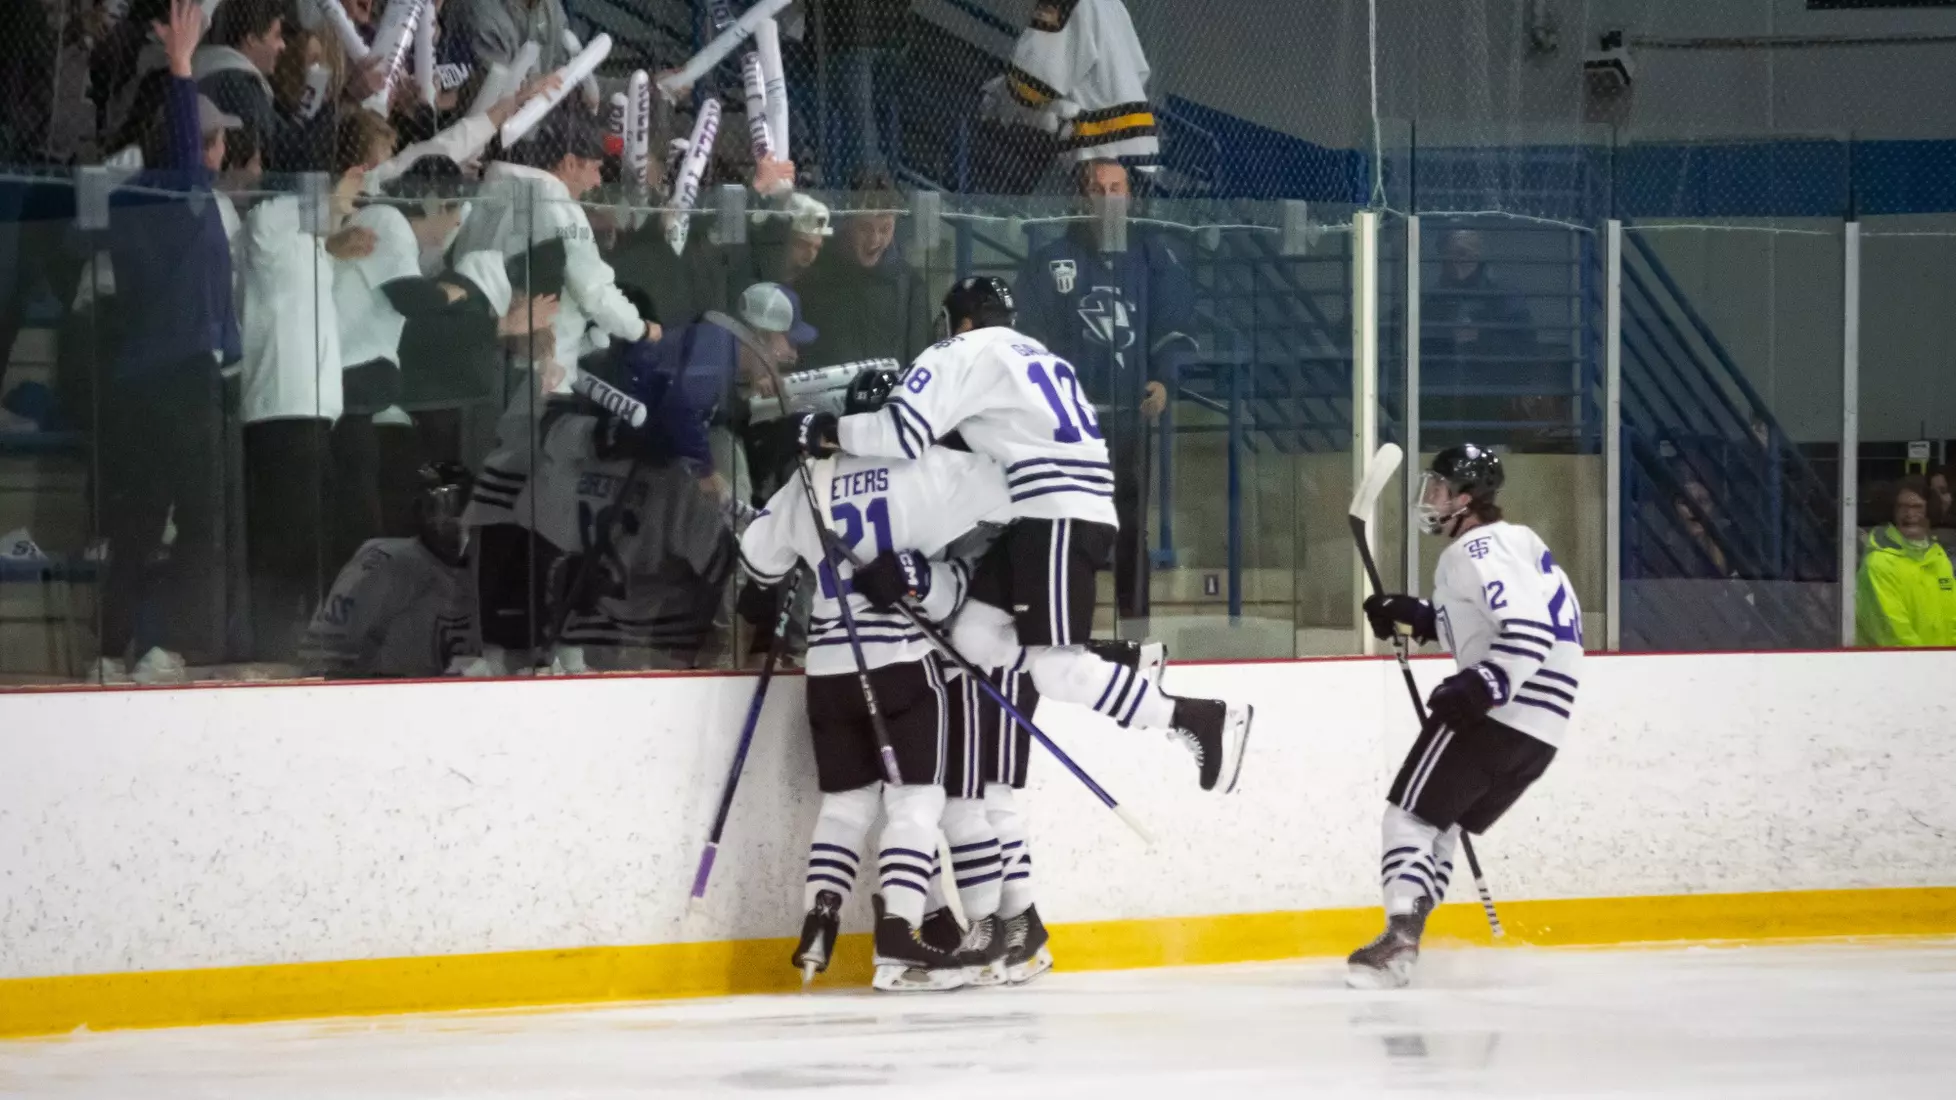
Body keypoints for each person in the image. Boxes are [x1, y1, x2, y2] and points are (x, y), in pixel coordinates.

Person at [793, 276, 1251, 792]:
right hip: (1052, 510)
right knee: (973, 635)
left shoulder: (959, 350)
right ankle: (1117, 660)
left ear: (959, 321)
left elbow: (901, 434)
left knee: (1056, 670)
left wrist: (828, 432)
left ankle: (1195, 717)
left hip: (1054, 512)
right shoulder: (1040, 355)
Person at [741, 367, 1012, 992]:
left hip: (829, 669)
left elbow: (757, 560)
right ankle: (898, 937)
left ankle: (819, 920)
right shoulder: (930, 469)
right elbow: (1017, 491)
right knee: (916, 804)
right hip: (899, 665)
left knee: (844, 807)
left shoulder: (808, 480)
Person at [1353, 444, 1584, 989]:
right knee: (1441, 824)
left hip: (1501, 712)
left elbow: (1527, 630)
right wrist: (1418, 618)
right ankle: (1407, 934)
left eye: (1437, 488)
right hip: (1540, 732)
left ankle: (1399, 939)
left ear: (1466, 499)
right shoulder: (1517, 544)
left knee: (1407, 817)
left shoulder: (1476, 548)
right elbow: (1488, 620)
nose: (1428, 499)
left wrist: (1486, 683)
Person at [98, 0, 245, 682]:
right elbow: (186, 152)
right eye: (215, 142)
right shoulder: (177, 194)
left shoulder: (134, 198)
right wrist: (183, 66)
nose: (220, 153)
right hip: (180, 376)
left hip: (151, 375)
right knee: (195, 520)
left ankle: (111, 650)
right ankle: (161, 646)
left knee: (140, 519)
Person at [1015, 159, 1192, 629]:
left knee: (1131, 529)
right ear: (1080, 197)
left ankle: (1136, 631)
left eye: (1116, 188)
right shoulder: (1050, 261)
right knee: (1073, 529)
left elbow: (1171, 322)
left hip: (1130, 422)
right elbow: (1029, 341)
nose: (1108, 197)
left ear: (1129, 195)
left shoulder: (1153, 256)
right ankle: (1072, 629)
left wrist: (1163, 378)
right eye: (1097, 188)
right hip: (1069, 428)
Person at [452, 108, 658, 396]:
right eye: (595, 168)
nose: (598, 181)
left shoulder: (492, 191)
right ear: (570, 163)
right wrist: (640, 329)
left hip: (484, 352)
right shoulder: (560, 210)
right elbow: (593, 291)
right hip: (542, 367)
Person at [301, 461, 481, 677]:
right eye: (439, 505)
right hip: (389, 702)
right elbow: (324, 657)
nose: (453, 519)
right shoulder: (386, 563)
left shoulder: (484, 568)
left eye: (460, 506)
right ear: (419, 509)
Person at [985, 0, 1158, 176]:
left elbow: (1034, 83)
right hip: (1140, 144)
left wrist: (997, 92)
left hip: (1096, 151)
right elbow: (1140, 72)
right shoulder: (1112, 4)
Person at [797, 176, 933, 370]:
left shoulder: (910, 285)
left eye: (885, 229)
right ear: (848, 223)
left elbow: (920, 360)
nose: (875, 240)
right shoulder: (816, 276)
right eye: (865, 228)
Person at [1854, 476, 1956, 649]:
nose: (1910, 515)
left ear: (1930, 511)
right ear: (1892, 512)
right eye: (1902, 507)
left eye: (1917, 507)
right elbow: (1894, 636)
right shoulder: (1879, 563)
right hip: (1897, 671)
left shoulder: (1938, 558)